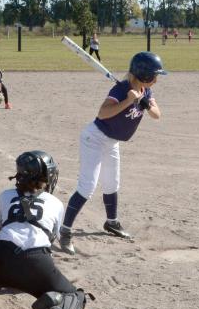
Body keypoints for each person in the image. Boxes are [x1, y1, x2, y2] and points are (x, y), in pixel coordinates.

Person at [0, 151, 93, 309]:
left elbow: (1, 230)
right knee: (75, 295)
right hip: (35, 264)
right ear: (46, 176)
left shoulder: (5, 195)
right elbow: (49, 240)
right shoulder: (55, 203)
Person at [59, 52, 167, 255]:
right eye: (154, 75)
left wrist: (146, 104)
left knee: (112, 183)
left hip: (113, 142)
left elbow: (157, 115)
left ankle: (111, 222)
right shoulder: (121, 89)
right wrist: (127, 101)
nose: (157, 79)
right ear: (143, 74)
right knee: (87, 187)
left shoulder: (146, 91)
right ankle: (65, 231)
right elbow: (102, 113)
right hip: (95, 138)